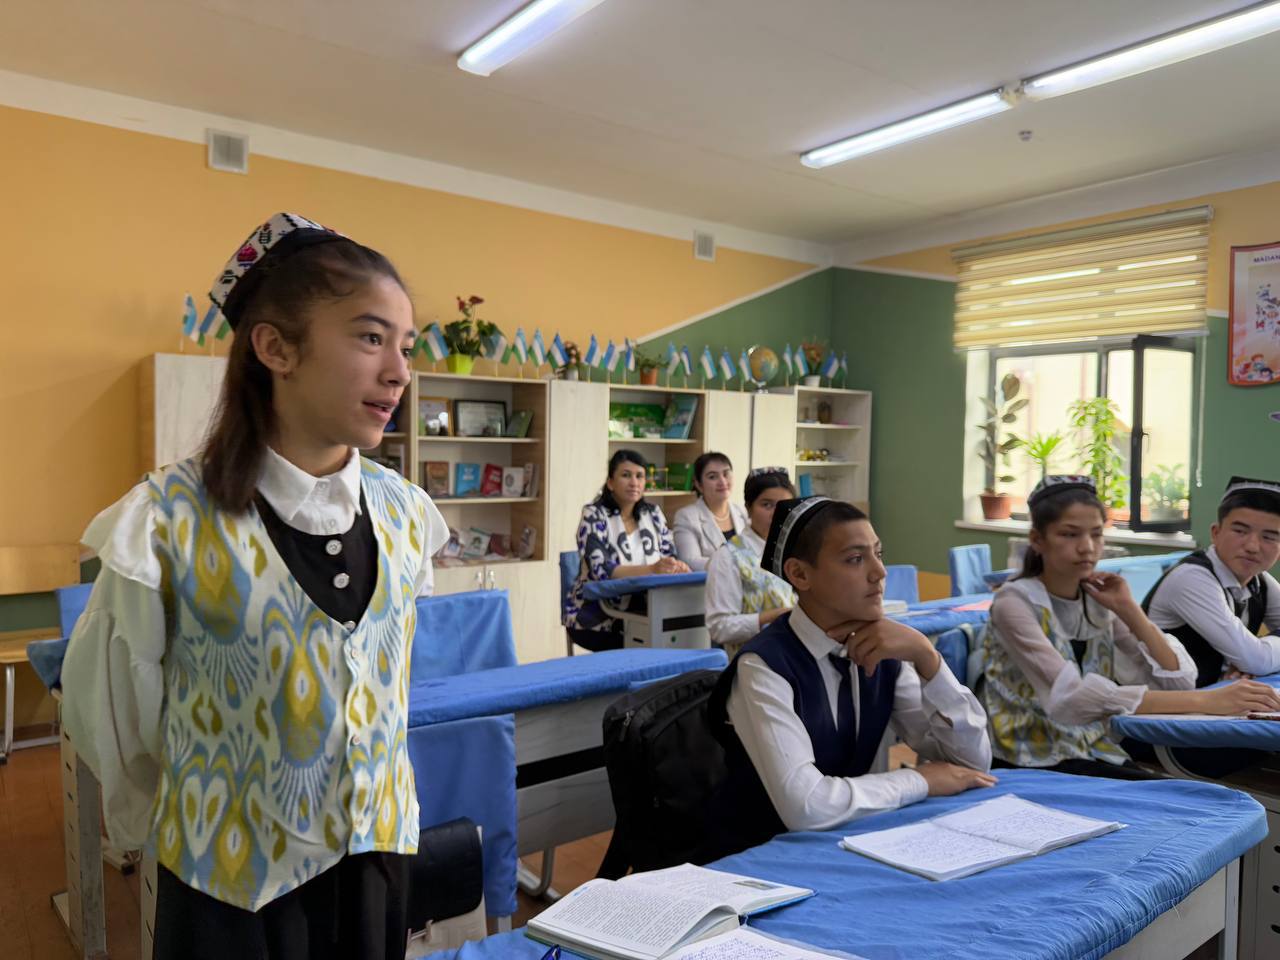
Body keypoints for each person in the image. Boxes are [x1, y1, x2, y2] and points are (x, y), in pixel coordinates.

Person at [60, 212, 448, 959]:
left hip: (374, 868)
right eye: (371, 338)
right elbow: (112, 711)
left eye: (405, 345)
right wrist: (188, 820)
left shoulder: (407, 514)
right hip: (231, 892)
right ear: (275, 347)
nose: (399, 371)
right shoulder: (166, 521)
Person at [706, 497, 993, 857]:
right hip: (759, 859)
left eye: (878, 554)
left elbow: (972, 764)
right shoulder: (763, 665)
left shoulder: (882, 650)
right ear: (800, 574)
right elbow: (805, 806)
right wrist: (920, 779)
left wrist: (927, 657)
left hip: (846, 845)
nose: (879, 572)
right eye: (856, 559)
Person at [981, 475, 1280, 780]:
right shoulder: (1014, 602)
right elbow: (1071, 698)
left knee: (1201, 795)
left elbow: (1180, 681)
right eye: (1069, 535)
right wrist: (1208, 701)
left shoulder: (1096, 599)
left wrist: (1129, 609)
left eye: (1096, 534)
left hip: (1092, 748)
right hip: (1028, 757)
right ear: (1037, 540)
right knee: (1194, 797)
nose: (1087, 548)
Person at [1143, 476, 1280, 685]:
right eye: (1240, 531)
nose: (1252, 546)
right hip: (1155, 702)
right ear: (1216, 533)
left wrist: (1255, 660)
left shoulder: (1260, 582)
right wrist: (1253, 661)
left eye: (1269, 537)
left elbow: (1255, 661)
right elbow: (1256, 660)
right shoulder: (1191, 579)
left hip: (1209, 698)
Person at [564, 449, 689, 651]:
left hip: (649, 609)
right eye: (626, 475)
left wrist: (675, 566)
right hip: (598, 616)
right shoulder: (593, 514)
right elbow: (602, 570)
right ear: (610, 483)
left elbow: (668, 556)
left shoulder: (653, 514)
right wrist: (652, 570)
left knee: (685, 631)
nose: (634, 482)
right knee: (650, 643)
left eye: (640, 476)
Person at [705, 467, 797, 649]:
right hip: (755, 658)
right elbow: (719, 627)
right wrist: (772, 617)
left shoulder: (800, 549)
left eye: (785, 506)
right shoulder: (728, 556)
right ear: (748, 508)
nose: (776, 513)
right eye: (767, 505)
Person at [671, 452, 749, 571]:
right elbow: (690, 561)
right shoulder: (686, 517)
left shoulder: (742, 512)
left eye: (726, 474)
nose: (722, 481)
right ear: (699, 485)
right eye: (713, 477)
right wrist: (737, 565)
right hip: (708, 582)